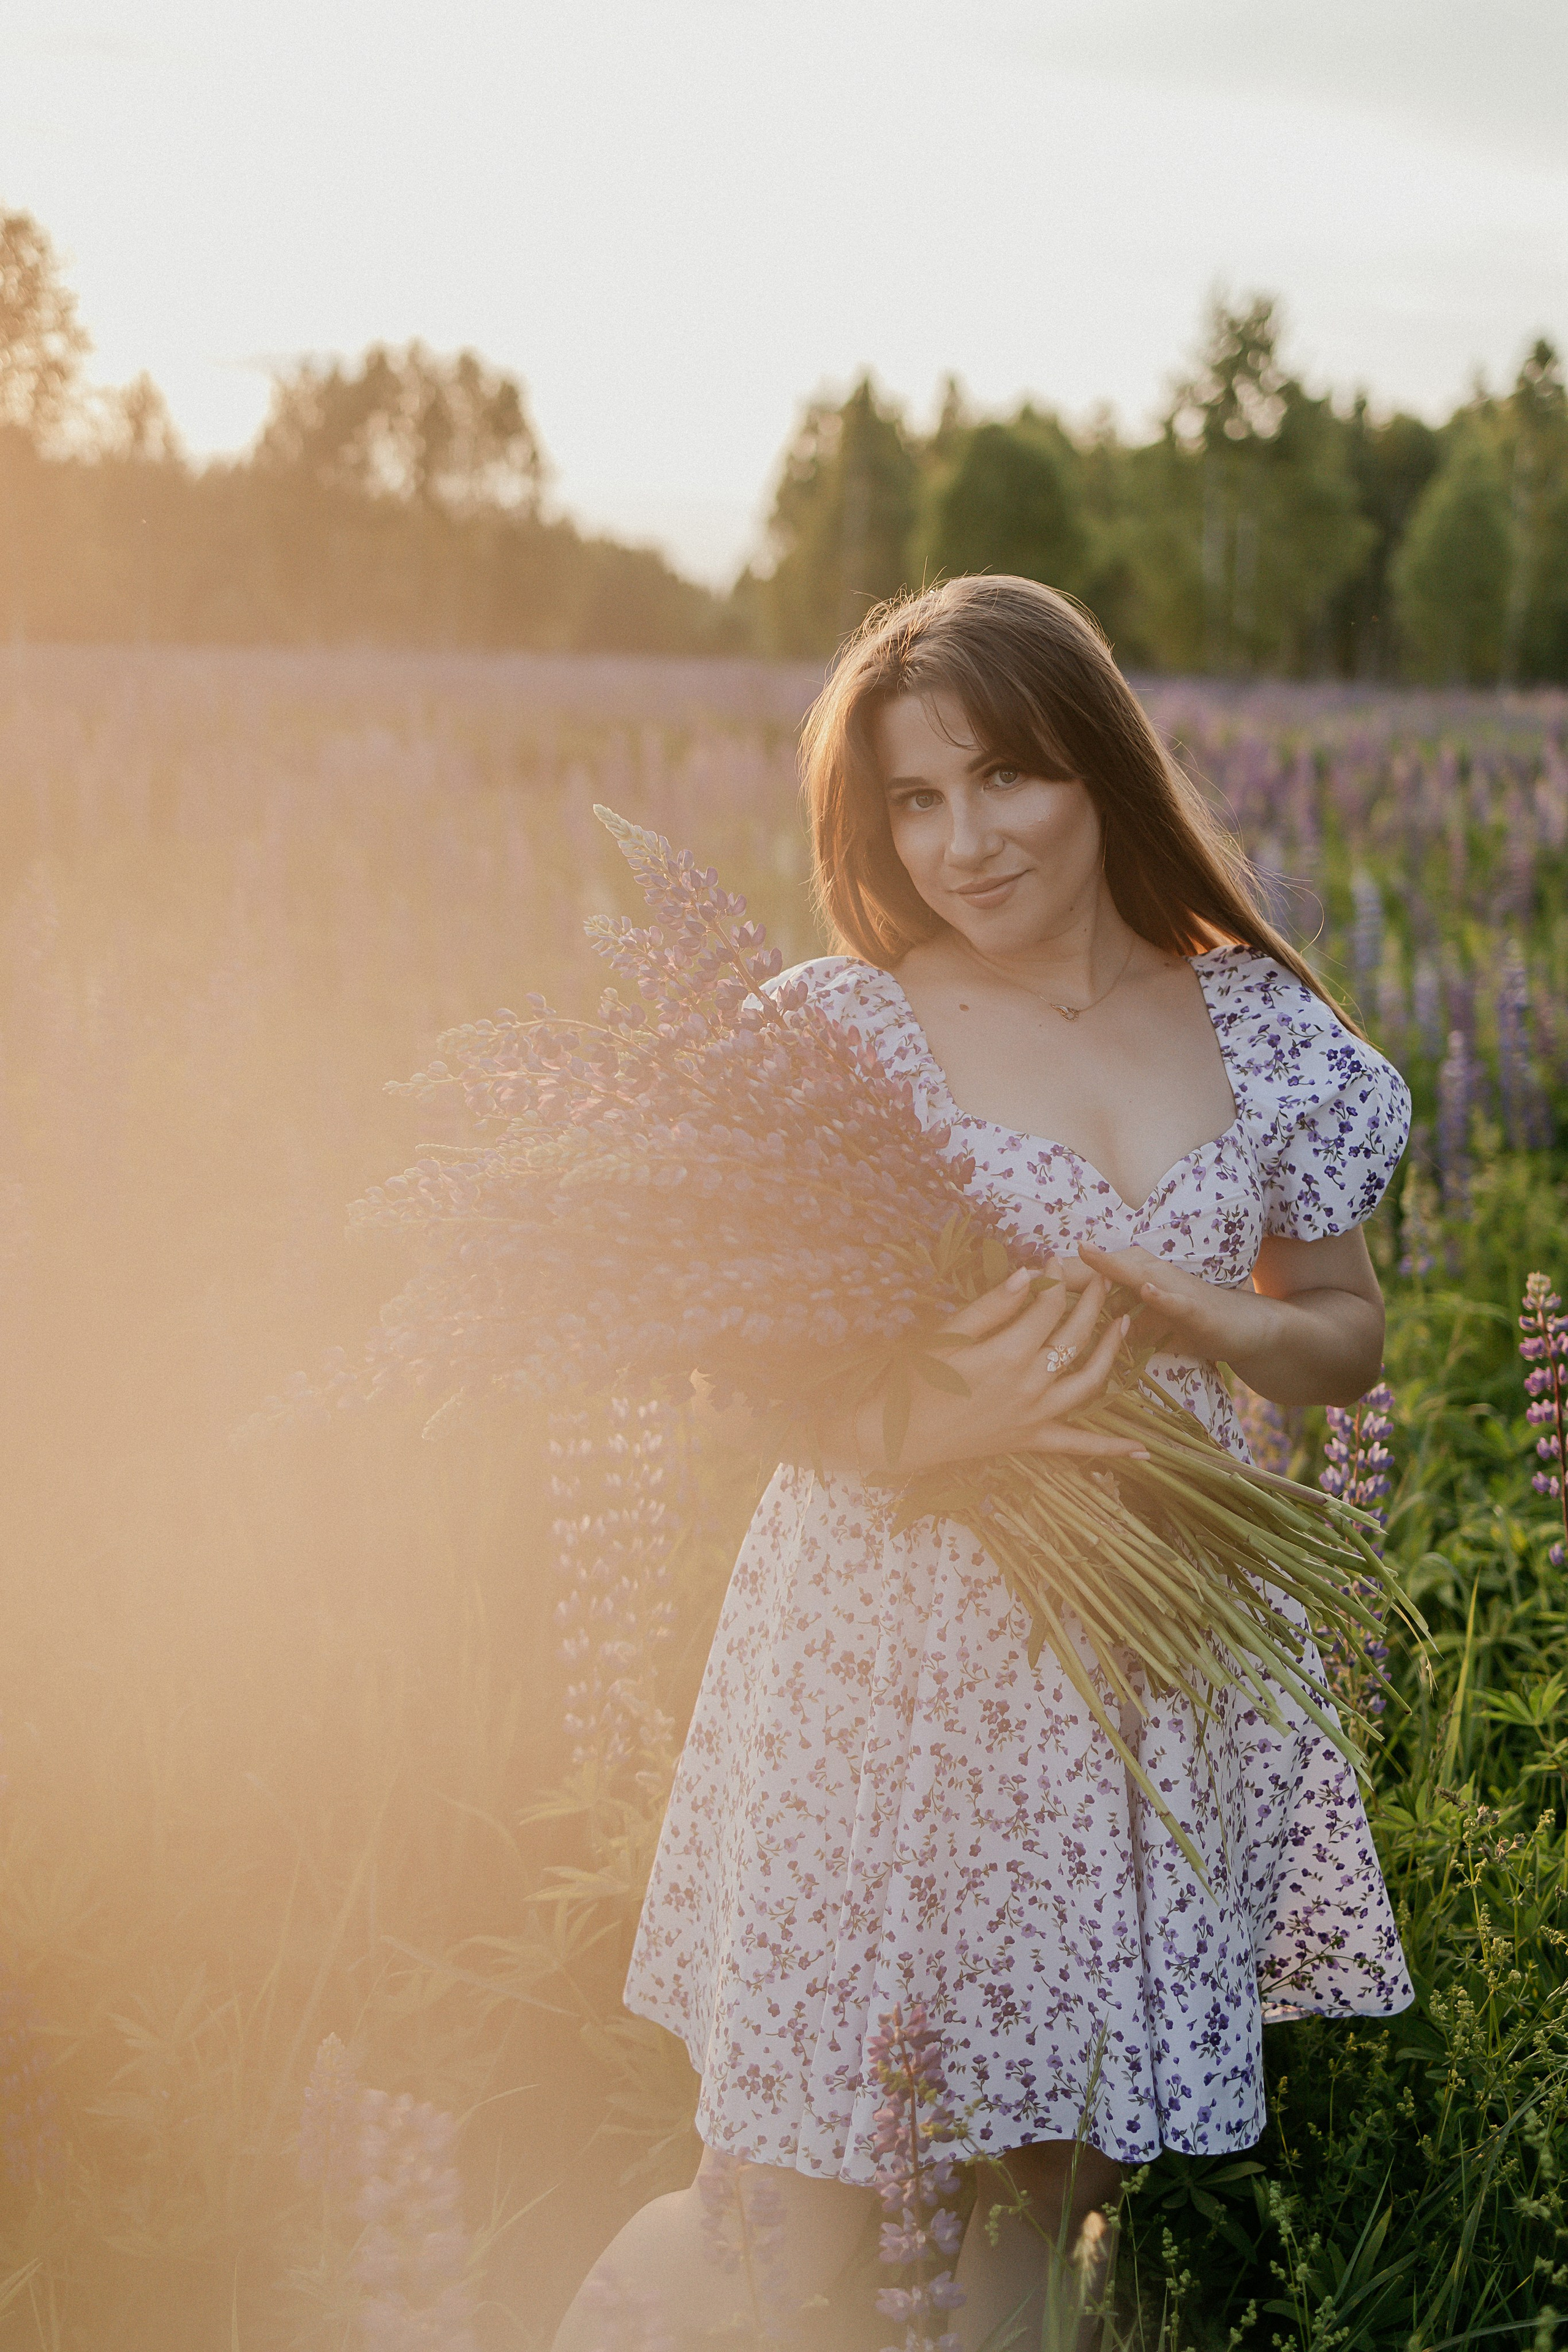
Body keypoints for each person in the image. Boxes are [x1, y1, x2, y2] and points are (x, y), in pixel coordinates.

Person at [551, 577, 1412, 2348]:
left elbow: (1343, 1331)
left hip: (1145, 1676)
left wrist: (1213, 1320)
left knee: (1042, 2209)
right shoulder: (839, 1036)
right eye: (915, 801)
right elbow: (740, 1372)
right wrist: (944, 1423)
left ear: (1099, 767)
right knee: (786, 2219)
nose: (964, 841)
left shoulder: (1256, 1025)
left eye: (1006, 776)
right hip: (890, 1663)